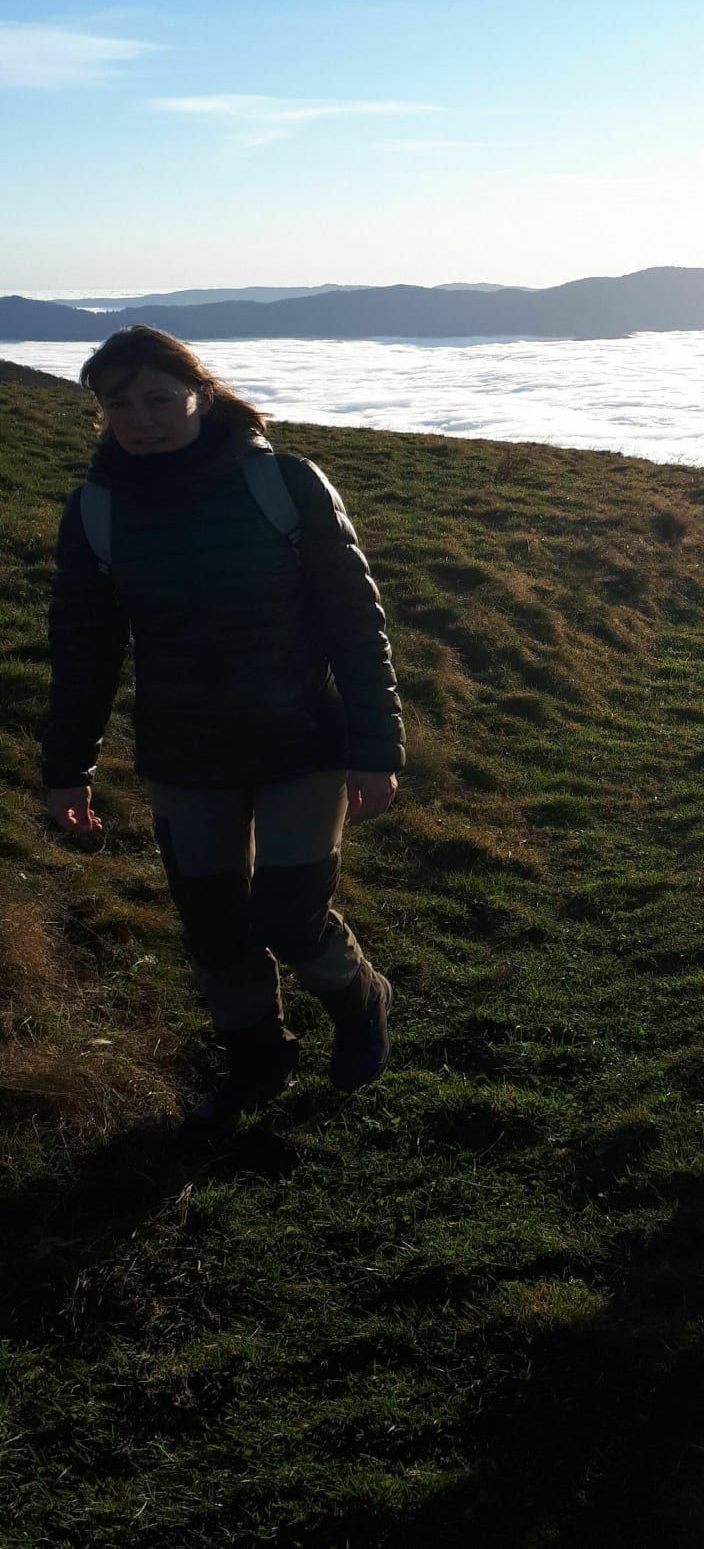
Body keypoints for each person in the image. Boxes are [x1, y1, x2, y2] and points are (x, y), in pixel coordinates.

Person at [41, 326, 407, 1133]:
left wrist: (376, 749)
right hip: (185, 757)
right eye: (119, 404)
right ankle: (256, 1063)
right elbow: (82, 649)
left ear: (201, 396)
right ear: (101, 412)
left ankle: (361, 999)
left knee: (287, 915)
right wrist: (68, 767)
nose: (140, 419)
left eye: (159, 399)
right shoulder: (97, 510)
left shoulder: (285, 484)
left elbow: (354, 623)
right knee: (213, 928)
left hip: (301, 745)